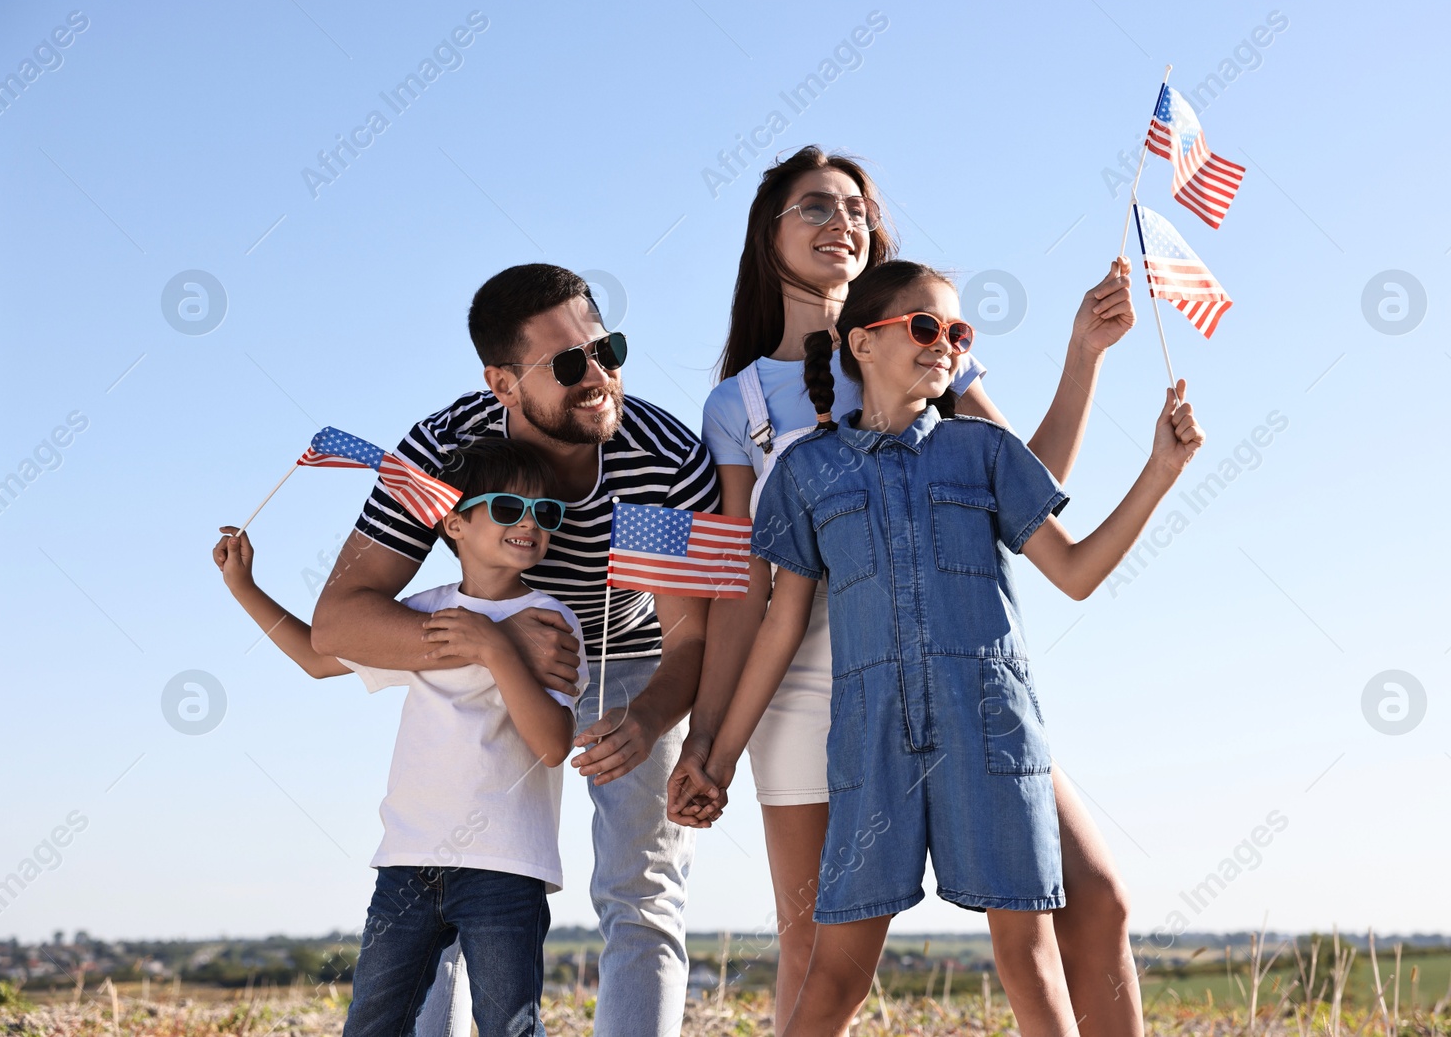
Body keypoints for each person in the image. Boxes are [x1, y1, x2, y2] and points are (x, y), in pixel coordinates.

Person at [672, 145, 1146, 1035]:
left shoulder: (927, 343)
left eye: (854, 207)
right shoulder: (739, 401)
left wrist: (1084, 355)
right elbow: (747, 590)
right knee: (819, 955)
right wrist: (708, 739)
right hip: (807, 696)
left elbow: (1022, 484)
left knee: (1098, 900)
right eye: (814, 206)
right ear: (767, 235)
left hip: (959, 681)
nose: (839, 221)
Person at [309, 265, 720, 1037]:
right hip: (500, 647)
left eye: (608, 351)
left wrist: (653, 713)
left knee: (645, 890)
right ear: (502, 384)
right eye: (568, 365)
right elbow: (337, 624)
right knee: (456, 869)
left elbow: (691, 632)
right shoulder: (443, 449)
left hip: (637, 657)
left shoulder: (663, 460)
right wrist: (497, 642)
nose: (598, 377)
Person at [212, 438, 584, 1037]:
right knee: (372, 1024)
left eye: (545, 514)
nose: (530, 524)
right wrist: (244, 588)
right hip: (407, 862)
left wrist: (493, 647)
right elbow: (318, 656)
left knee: (509, 1027)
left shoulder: (550, 620)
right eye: (509, 508)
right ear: (455, 523)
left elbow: (552, 744)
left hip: (505, 866)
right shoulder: (419, 613)